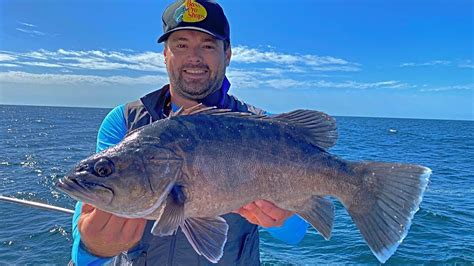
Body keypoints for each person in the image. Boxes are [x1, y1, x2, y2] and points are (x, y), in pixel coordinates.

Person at [71, 0, 309, 264]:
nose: (194, 57)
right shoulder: (124, 122)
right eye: (181, 45)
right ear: (165, 54)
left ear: (227, 53)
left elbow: (296, 234)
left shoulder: (261, 127)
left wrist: (282, 217)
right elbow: (85, 235)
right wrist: (94, 248)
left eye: (208, 45)